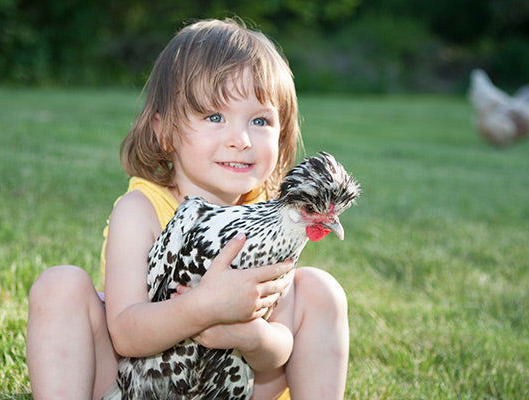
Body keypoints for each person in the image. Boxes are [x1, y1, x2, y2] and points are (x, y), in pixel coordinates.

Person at [26, 18, 349, 400]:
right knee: (59, 285)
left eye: (260, 120)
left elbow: (276, 351)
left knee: (321, 290)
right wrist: (204, 308)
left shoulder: (274, 224)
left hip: (232, 386)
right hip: (137, 384)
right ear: (165, 132)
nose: (240, 139)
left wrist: (249, 335)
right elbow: (127, 334)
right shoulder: (141, 210)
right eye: (215, 117)